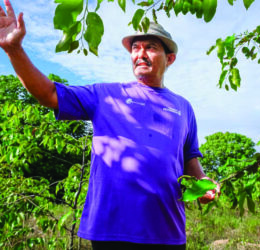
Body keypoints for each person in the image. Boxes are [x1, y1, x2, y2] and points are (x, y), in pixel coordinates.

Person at [0, 0, 219, 249]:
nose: (140, 54)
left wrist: (204, 184)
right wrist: (14, 50)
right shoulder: (105, 95)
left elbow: (189, 157)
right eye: (135, 48)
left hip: (166, 230)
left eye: (150, 47)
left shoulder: (183, 107)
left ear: (170, 58)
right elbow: (49, 94)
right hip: (111, 231)